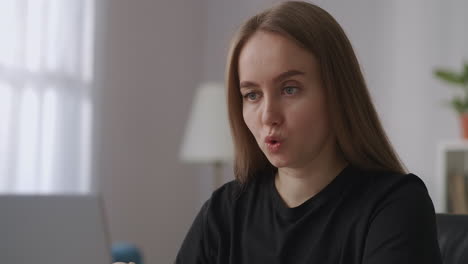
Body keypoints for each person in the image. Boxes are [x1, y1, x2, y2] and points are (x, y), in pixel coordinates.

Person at [175, 1, 443, 263]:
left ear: (337, 92)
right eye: (252, 95)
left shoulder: (396, 205)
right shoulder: (224, 210)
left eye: (290, 89)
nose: (268, 115)